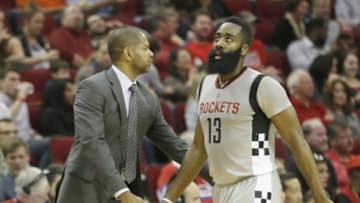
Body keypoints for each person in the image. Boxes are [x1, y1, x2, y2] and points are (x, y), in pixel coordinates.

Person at [160, 16, 331, 203]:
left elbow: (297, 142)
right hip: (222, 188)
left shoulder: (262, 86)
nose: (219, 43)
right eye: (217, 37)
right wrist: (170, 196)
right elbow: (199, 149)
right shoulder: (205, 85)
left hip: (257, 183)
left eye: (228, 39)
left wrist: (318, 193)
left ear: (244, 50)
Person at [55, 27, 210, 203]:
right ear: (128, 53)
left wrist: (217, 176)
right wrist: (121, 191)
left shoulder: (149, 98)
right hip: (88, 190)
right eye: (145, 48)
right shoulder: (92, 87)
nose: (152, 54)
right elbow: (91, 142)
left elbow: (174, 145)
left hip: (129, 189)